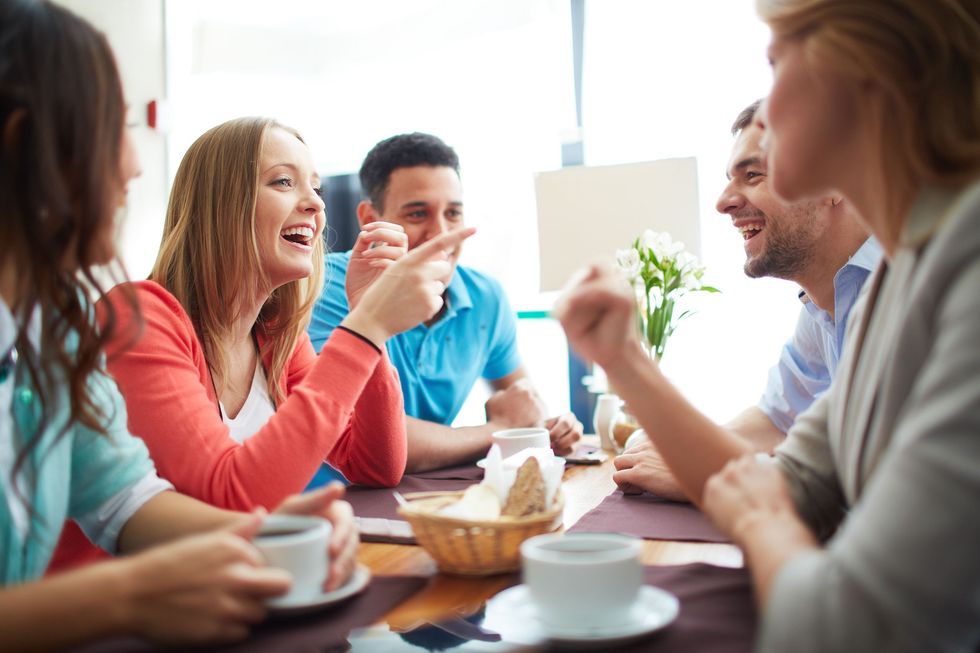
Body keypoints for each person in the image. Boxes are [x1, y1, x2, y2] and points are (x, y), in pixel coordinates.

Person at [556, 0, 980, 650]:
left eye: (776, 64)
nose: (765, 111)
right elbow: (798, 483)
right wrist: (623, 357)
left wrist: (761, 523)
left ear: (868, 75)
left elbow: (847, 627)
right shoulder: (893, 283)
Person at [0, 1, 359, 648]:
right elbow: (225, 489)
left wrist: (274, 532)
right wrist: (128, 594)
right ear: (25, 146)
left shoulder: (54, 337)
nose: (136, 165)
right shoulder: (135, 317)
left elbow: (124, 499)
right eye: (116, 128)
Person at [50, 119, 474, 570]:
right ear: (220, 204)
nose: (314, 203)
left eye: (315, 188)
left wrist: (367, 318)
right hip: (106, 614)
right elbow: (231, 498)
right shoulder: (140, 316)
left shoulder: (274, 336)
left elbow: (377, 464)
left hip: (220, 587)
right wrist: (365, 328)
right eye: (283, 182)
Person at [613, 99, 880, 501]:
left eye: (753, 175)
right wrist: (681, 453)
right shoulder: (823, 298)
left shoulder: (912, 288)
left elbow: (870, 479)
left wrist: (704, 475)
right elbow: (777, 419)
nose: (722, 202)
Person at [309, 133, 582, 473]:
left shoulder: (485, 297)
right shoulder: (327, 287)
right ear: (369, 219)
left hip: (429, 503)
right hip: (334, 508)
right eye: (417, 213)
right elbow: (367, 441)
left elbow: (524, 405)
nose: (440, 232)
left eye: (453, 213)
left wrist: (550, 427)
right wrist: (497, 430)